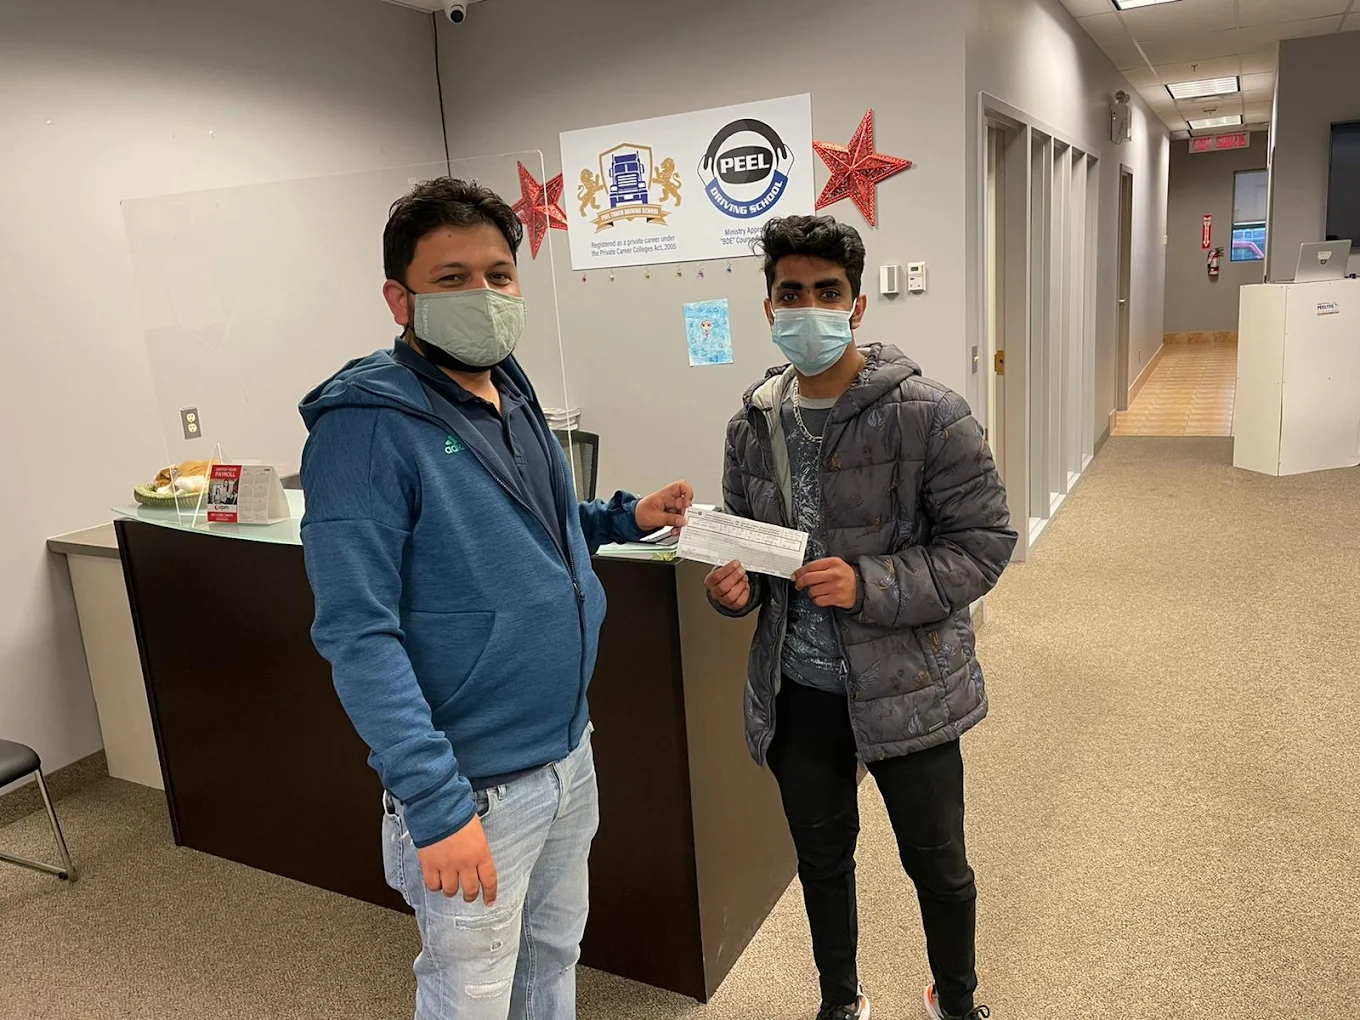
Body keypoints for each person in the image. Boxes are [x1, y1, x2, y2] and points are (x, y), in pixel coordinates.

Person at [298, 177, 692, 1020]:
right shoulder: (364, 426)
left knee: (552, 960)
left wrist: (624, 517)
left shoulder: (508, 388)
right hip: (473, 786)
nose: (484, 294)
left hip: (567, 753)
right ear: (400, 299)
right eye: (452, 278)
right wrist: (436, 806)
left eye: (499, 274)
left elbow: (546, 525)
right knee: (469, 993)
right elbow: (358, 635)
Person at [704, 215, 1015, 1020]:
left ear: (858, 305)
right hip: (798, 689)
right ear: (768, 308)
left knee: (939, 863)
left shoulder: (931, 415)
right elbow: (752, 549)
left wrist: (869, 583)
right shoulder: (751, 427)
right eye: (791, 294)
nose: (808, 309)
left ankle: (956, 1001)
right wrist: (733, 590)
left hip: (907, 684)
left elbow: (983, 545)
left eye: (827, 292)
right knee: (821, 859)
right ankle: (840, 1002)